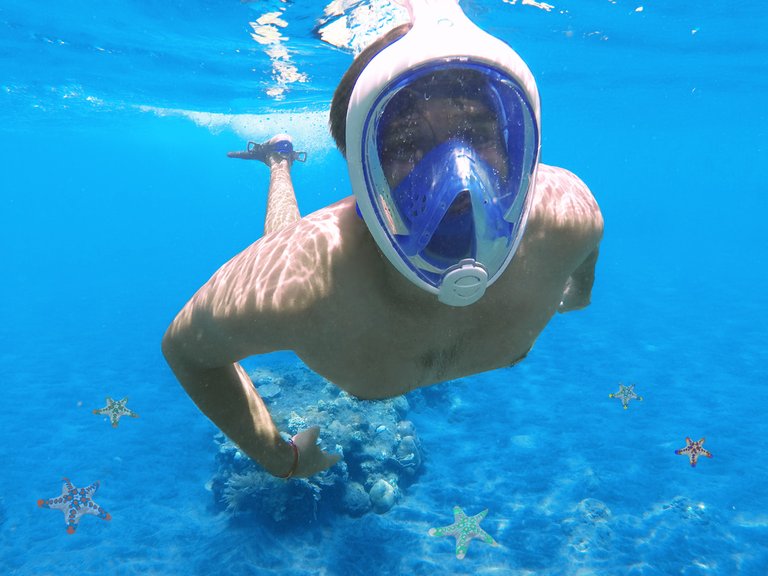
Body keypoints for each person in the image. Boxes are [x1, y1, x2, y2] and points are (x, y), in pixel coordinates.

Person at [162, 0, 603, 480]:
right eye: (408, 144)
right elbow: (186, 352)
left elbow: (575, 295)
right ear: (361, 170)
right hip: (316, 256)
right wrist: (277, 456)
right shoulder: (302, 284)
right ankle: (279, 162)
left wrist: (565, 295)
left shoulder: (569, 222)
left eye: (477, 133)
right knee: (283, 240)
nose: (457, 178)